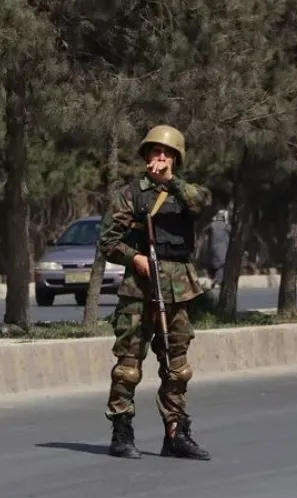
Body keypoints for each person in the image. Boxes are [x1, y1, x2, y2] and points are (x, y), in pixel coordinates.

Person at [97, 124, 213, 461]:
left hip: (179, 288)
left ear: (176, 159)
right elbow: (108, 241)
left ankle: (176, 433)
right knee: (128, 366)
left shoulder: (186, 192)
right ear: (146, 156)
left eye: (167, 153)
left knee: (177, 366)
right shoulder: (130, 195)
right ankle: (122, 431)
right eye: (155, 152)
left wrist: (170, 182)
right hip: (139, 288)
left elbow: (199, 203)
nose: (160, 158)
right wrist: (134, 258)